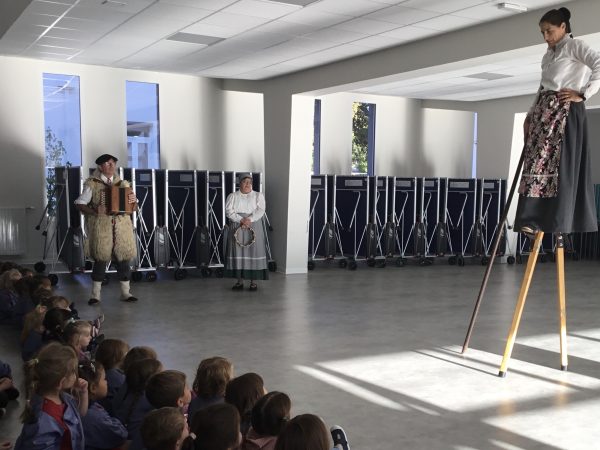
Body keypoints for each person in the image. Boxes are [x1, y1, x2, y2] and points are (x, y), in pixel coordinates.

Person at [515, 7, 600, 236]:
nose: (545, 37)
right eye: (542, 32)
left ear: (563, 27)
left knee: (557, 163)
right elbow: (542, 87)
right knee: (536, 161)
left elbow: (599, 63)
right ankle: (531, 219)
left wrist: (583, 94)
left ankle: (554, 218)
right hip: (544, 112)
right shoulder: (548, 55)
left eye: (549, 31)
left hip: (564, 111)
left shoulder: (575, 46)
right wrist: (530, 115)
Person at [75, 153, 138, 305]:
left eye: (113, 163)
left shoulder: (123, 184)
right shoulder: (92, 184)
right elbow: (80, 204)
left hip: (121, 228)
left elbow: (134, 206)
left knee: (124, 260)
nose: (111, 166)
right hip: (102, 228)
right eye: (108, 163)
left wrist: (133, 204)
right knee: (101, 259)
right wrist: (95, 210)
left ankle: (126, 293)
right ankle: (95, 295)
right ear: (100, 166)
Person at [14, 342, 88, 450]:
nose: (76, 375)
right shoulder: (44, 421)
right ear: (61, 382)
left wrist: (83, 393)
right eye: (73, 371)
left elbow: (79, 415)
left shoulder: (62, 397)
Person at [225, 173, 269, 291]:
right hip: (237, 225)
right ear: (240, 183)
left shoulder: (258, 196)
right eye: (245, 182)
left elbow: (261, 210)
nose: (248, 184)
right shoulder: (232, 196)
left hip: (254, 224)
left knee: (253, 252)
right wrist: (241, 220)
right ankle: (239, 281)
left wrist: (249, 220)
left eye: (250, 182)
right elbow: (229, 211)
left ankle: (253, 282)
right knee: (238, 251)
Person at [79, 360, 128, 450]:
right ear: (93, 388)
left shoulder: (81, 405)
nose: (106, 382)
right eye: (104, 379)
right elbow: (121, 435)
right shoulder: (94, 416)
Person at [188, 356, 233, 423]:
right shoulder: (227, 405)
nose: (233, 378)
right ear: (221, 383)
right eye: (231, 377)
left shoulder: (194, 402)